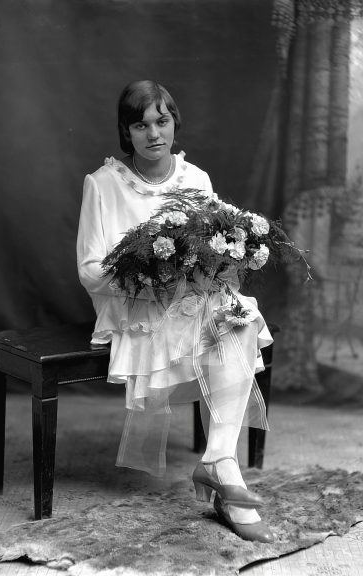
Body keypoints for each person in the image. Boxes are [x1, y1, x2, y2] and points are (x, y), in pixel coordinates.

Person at [77, 80, 275, 543]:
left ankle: (219, 461)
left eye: (161, 121)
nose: (153, 133)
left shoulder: (196, 180)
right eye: (140, 124)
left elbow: (213, 254)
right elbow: (90, 270)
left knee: (237, 319)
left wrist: (223, 261)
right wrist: (149, 274)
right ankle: (223, 471)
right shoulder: (103, 184)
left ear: (174, 123)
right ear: (127, 132)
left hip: (194, 297)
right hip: (137, 306)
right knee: (219, 323)